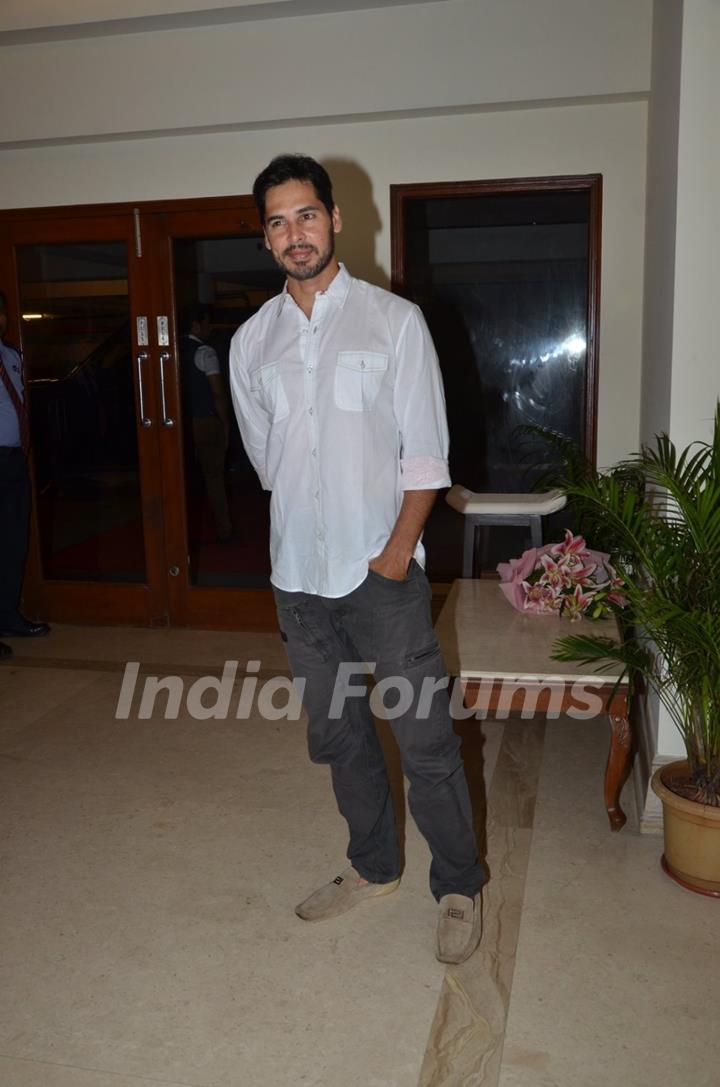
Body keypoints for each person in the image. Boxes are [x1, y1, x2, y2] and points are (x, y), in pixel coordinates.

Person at [229, 155, 485, 963]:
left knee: (425, 739)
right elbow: (268, 464)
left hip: (382, 574)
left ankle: (459, 883)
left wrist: (395, 553)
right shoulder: (251, 343)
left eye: (306, 215)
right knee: (338, 735)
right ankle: (373, 865)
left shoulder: (393, 322)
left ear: (337, 220)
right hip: (297, 581)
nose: (294, 233)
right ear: (265, 238)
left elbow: (426, 458)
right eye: (277, 221)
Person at [0, 290, 50, 659]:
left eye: (0, 312)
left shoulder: (11, 355)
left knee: (14, 541)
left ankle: (7, 615)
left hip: (13, 460)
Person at [179, 305, 233, 542]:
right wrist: (226, 424)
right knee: (213, 477)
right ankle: (224, 529)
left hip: (181, 424)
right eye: (206, 323)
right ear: (195, 325)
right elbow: (218, 394)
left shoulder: (174, 350)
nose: (209, 327)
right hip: (206, 421)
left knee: (184, 476)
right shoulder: (206, 353)